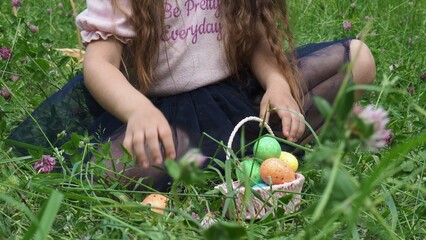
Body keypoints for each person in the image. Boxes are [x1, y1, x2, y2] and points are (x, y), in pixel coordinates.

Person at [8, 0, 376, 190]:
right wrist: (137, 110)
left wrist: (278, 84)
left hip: (237, 92)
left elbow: (256, 42)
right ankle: (250, 150)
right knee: (109, 169)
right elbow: (99, 66)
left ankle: (252, 145)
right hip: (159, 112)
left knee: (358, 59)